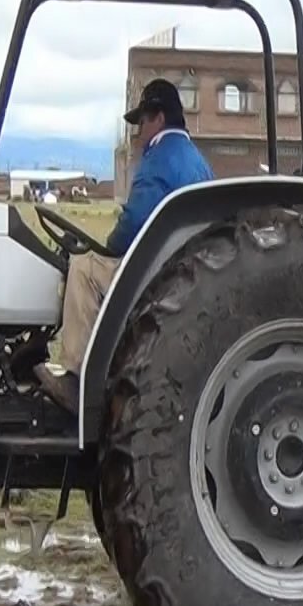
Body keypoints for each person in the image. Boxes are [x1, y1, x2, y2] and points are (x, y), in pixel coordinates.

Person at [34, 78, 213, 412]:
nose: (138, 133)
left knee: (85, 267)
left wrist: (104, 246)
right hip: (183, 267)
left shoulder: (160, 158)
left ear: (159, 119)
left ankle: (75, 377)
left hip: (158, 273)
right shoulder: (198, 161)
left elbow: (133, 224)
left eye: (141, 123)